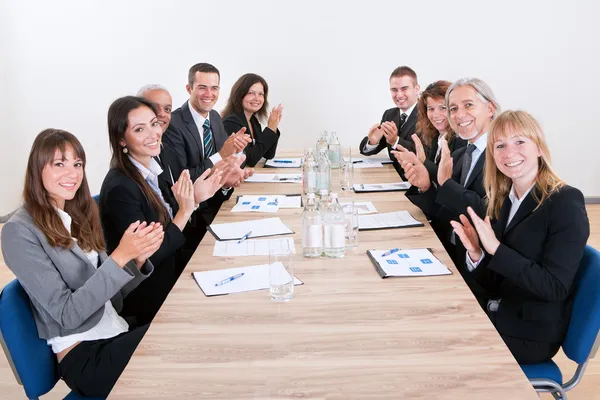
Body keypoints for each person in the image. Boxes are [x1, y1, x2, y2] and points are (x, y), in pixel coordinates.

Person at [1, 129, 163, 398]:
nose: (72, 173)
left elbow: (113, 300)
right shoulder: (18, 231)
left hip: (116, 330)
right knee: (173, 342)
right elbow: (68, 315)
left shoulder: (79, 213)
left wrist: (136, 260)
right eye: (59, 164)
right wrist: (120, 257)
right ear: (37, 168)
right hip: (86, 355)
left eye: (77, 164)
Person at [450, 110, 589, 364]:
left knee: (439, 349)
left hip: (530, 334)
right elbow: (497, 282)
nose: (509, 153)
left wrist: (496, 249)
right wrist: (477, 253)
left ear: (538, 148)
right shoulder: (504, 200)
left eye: (519, 142)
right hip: (499, 311)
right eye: (500, 145)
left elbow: (554, 287)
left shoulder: (565, 202)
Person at [100, 96, 222, 325]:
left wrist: (194, 198)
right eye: (139, 129)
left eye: (154, 124)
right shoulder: (121, 188)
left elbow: (170, 225)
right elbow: (149, 257)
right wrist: (185, 211)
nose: (153, 134)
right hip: (150, 294)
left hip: (173, 271)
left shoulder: (154, 169)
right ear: (121, 140)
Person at [398, 78, 500, 269]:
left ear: (490, 109)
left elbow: (489, 214)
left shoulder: (502, 154)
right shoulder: (462, 154)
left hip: (487, 268)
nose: (459, 115)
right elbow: (447, 212)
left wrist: (446, 183)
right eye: (453, 109)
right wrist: (426, 187)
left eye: (468, 105)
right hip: (454, 254)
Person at [163, 62, 253, 224]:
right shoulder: (174, 125)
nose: (209, 94)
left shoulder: (215, 118)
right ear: (189, 89)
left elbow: (223, 164)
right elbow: (182, 181)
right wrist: (222, 155)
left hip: (218, 207)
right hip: (192, 218)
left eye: (214, 88)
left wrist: (235, 157)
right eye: (202, 87)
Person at [359, 66, 420, 176]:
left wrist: (396, 141)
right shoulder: (390, 114)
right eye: (394, 90)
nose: (399, 95)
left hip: (417, 182)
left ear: (416, 89)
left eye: (404, 89)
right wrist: (373, 142)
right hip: (394, 178)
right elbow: (367, 150)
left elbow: (425, 153)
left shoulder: (428, 115)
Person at [409, 80, 467, 182]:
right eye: (430, 109)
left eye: (442, 108)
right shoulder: (436, 137)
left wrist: (424, 162)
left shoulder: (461, 141)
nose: (435, 115)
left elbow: (449, 180)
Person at [221, 73, 283, 167]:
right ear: (239, 95)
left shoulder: (253, 121)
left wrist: (273, 129)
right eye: (251, 93)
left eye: (261, 94)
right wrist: (270, 129)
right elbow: (250, 159)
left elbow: (268, 154)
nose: (257, 98)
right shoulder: (231, 122)